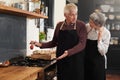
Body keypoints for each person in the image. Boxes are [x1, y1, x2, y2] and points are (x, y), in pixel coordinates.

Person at [30, 3, 87, 80]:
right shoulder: (59, 25)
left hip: (75, 61)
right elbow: (54, 42)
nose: (75, 17)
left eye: (76, 14)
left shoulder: (81, 25)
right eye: (72, 15)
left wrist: (68, 52)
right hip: (62, 60)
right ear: (65, 15)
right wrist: (40, 44)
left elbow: (82, 44)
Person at [84, 11, 111, 80]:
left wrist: (99, 39)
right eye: (89, 21)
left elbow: (103, 52)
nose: (89, 23)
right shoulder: (87, 27)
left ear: (98, 25)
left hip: (98, 63)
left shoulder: (106, 33)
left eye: (91, 22)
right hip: (86, 61)